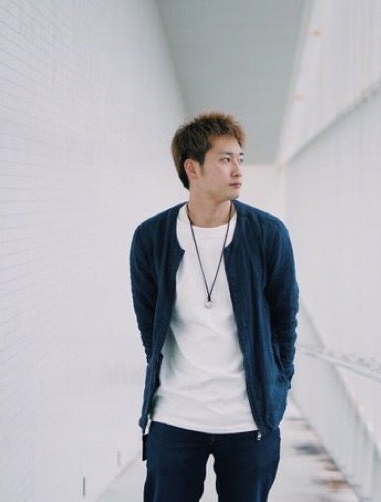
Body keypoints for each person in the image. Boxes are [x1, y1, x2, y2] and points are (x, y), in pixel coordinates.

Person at [129, 111, 299, 502]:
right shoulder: (152, 237)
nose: (238, 170)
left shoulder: (268, 234)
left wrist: (279, 383)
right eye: (225, 159)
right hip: (175, 415)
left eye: (240, 158)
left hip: (247, 420)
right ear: (193, 168)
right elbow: (148, 323)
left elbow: (284, 318)